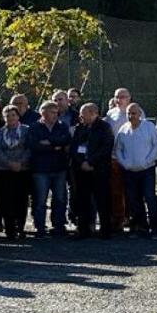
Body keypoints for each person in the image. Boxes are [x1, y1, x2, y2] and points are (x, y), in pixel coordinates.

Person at [114, 103, 157, 238]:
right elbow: (118, 149)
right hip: (129, 172)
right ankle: (140, 227)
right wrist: (124, 163)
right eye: (129, 113)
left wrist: (148, 161)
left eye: (134, 113)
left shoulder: (149, 127)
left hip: (147, 170)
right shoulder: (123, 129)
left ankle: (156, 228)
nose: (131, 116)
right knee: (134, 200)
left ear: (140, 114)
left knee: (150, 198)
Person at [70, 102, 114, 238]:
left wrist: (90, 162)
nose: (80, 116)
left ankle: (105, 230)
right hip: (81, 170)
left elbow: (106, 148)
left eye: (83, 113)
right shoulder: (80, 127)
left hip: (99, 169)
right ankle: (83, 229)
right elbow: (74, 147)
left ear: (93, 113)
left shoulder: (105, 127)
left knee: (102, 200)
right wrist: (81, 162)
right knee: (82, 200)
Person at [29, 100, 71, 236]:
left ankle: (58, 225)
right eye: (52, 112)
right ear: (43, 113)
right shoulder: (34, 127)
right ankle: (39, 226)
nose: (55, 115)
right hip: (41, 169)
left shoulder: (62, 126)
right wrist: (56, 146)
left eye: (56, 112)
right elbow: (34, 146)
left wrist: (49, 142)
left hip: (59, 168)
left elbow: (65, 140)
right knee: (40, 199)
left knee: (60, 199)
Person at [0, 105, 32, 239]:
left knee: (21, 200)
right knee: (6, 200)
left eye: (13, 115)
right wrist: (9, 163)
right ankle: (9, 228)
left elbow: (29, 148)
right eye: (7, 116)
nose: (11, 118)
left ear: (18, 116)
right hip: (4, 170)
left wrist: (20, 163)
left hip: (23, 170)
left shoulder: (26, 130)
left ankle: (20, 227)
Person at [105, 87, 133, 231]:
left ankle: (131, 218)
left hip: (131, 158)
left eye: (122, 96)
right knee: (116, 191)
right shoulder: (110, 114)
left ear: (129, 98)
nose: (119, 99)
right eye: (117, 97)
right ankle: (118, 220)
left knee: (130, 191)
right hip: (114, 158)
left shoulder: (136, 112)